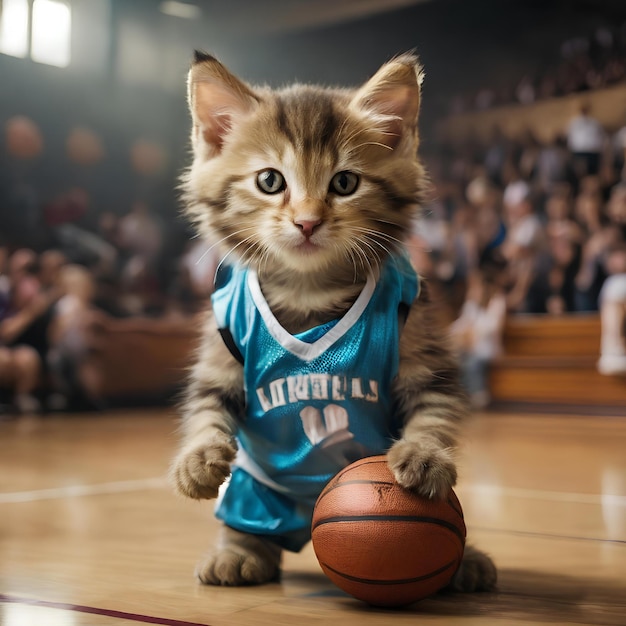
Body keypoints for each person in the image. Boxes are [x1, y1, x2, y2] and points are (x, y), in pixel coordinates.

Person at [450, 256, 508, 409]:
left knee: (472, 360)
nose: (472, 288)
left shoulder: (497, 300)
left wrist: (471, 333)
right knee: (456, 357)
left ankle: (478, 394)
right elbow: (461, 323)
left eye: (474, 285)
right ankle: (461, 395)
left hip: (487, 346)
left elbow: (493, 326)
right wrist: (453, 333)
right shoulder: (471, 303)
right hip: (470, 345)